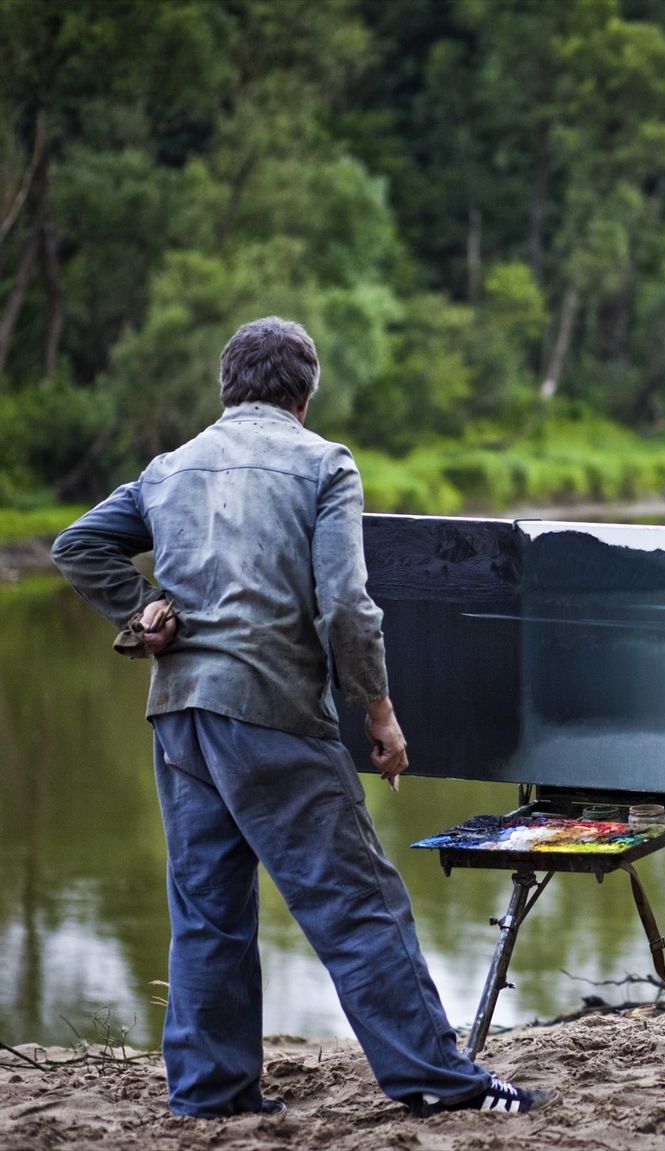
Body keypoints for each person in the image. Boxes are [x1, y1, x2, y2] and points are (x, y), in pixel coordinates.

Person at [51, 316, 555, 1120]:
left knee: (207, 912)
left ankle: (212, 1094)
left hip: (180, 717)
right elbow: (348, 608)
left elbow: (77, 545)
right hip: (272, 712)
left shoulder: (168, 467)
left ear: (228, 387)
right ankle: (435, 1078)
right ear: (304, 396)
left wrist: (139, 605)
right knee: (358, 901)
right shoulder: (324, 464)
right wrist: (380, 712)